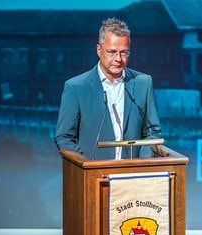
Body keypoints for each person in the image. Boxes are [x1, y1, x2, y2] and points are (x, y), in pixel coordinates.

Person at [54, 17, 162, 160]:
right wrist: (87, 169)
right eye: (111, 52)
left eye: (124, 52)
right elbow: (64, 137)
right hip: (92, 177)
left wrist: (141, 165)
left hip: (133, 176)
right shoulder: (76, 88)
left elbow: (152, 131)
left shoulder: (143, 83)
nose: (118, 58)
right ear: (99, 50)